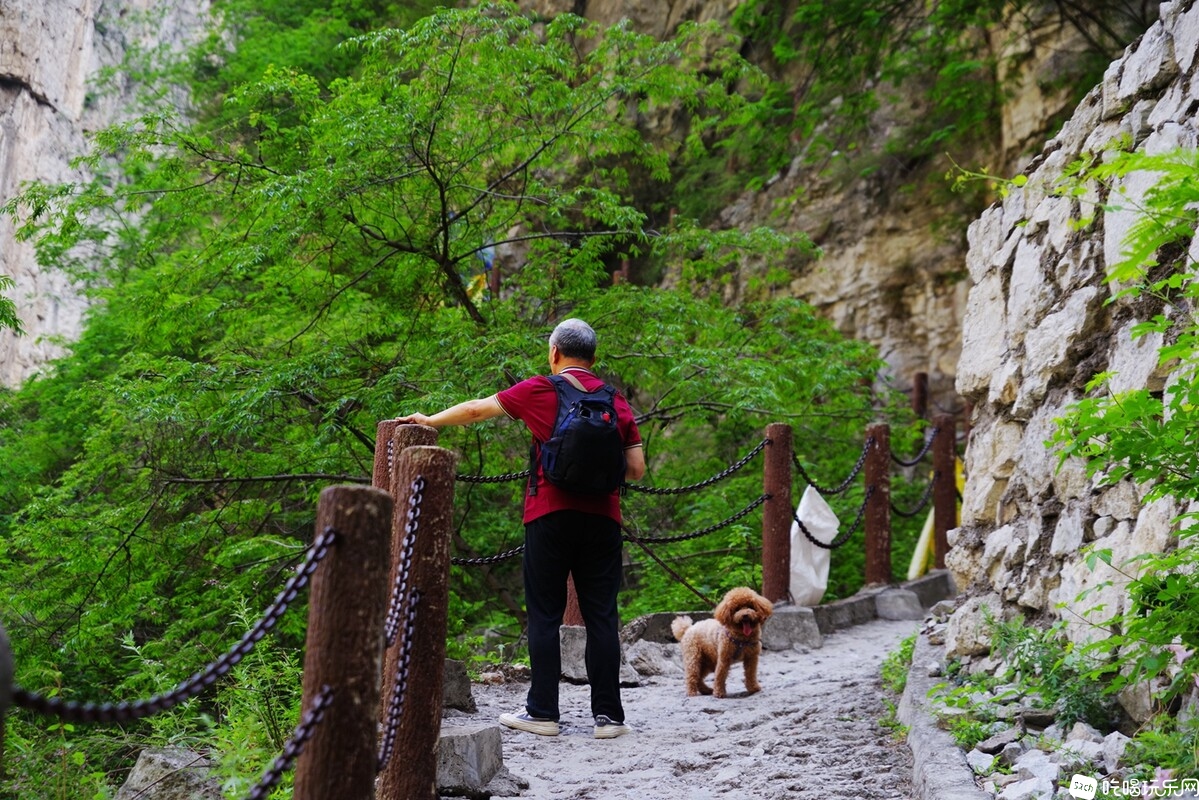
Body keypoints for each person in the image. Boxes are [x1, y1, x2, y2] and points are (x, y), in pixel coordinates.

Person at [395, 318, 646, 739]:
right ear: (594, 357)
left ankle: (543, 712)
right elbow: (636, 470)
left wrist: (430, 420)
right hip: (603, 519)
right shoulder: (615, 401)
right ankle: (609, 718)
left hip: (549, 514)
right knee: (602, 615)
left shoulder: (542, 389)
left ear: (554, 353)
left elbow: (477, 409)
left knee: (545, 614)